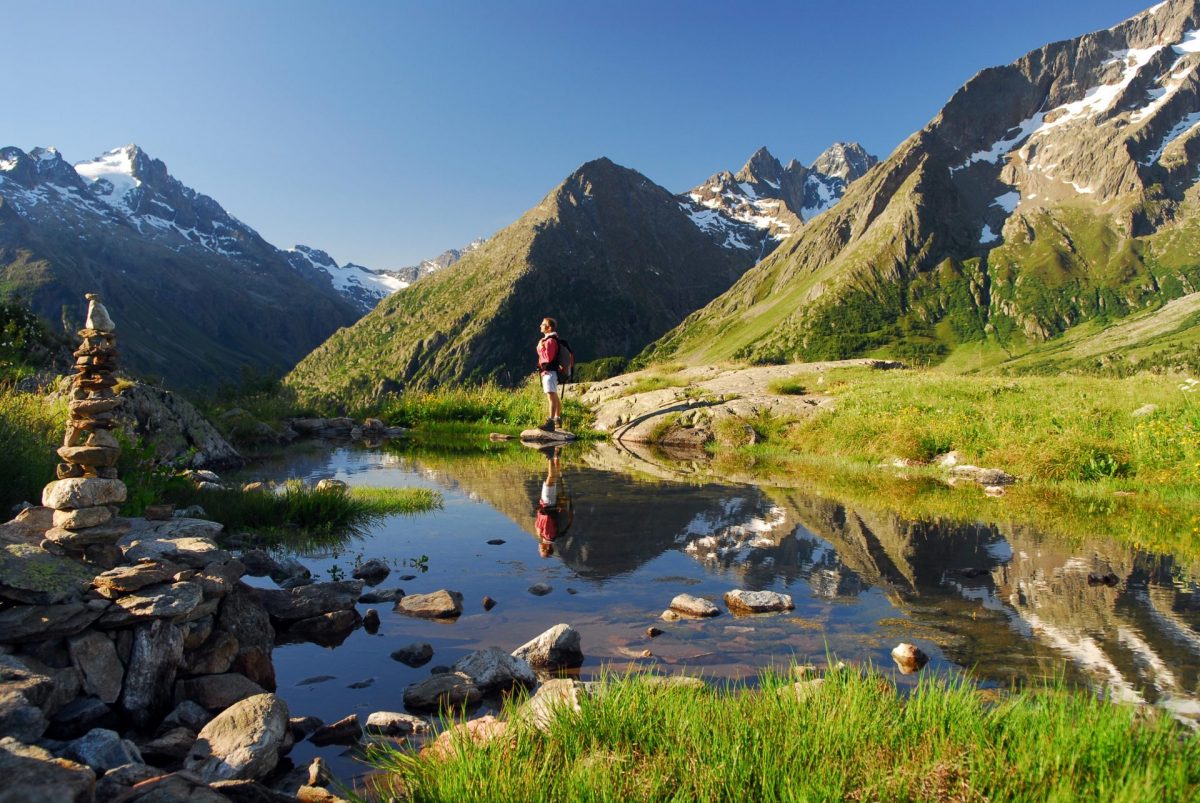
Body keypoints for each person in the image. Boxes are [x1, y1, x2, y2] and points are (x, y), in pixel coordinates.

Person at [534, 447, 572, 557]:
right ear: (545, 548)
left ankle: (556, 455)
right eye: (540, 551)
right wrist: (538, 529)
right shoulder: (548, 535)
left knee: (554, 479)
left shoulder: (551, 536)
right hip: (547, 503)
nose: (538, 549)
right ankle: (550, 455)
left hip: (550, 503)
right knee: (551, 477)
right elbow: (546, 519)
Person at [536, 317, 563, 431]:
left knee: (551, 397)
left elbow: (548, 358)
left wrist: (541, 347)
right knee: (554, 395)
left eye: (543, 324)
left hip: (549, 372)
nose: (540, 326)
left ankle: (550, 422)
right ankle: (557, 419)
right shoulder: (549, 340)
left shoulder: (550, 341)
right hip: (550, 372)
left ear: (549, 327)